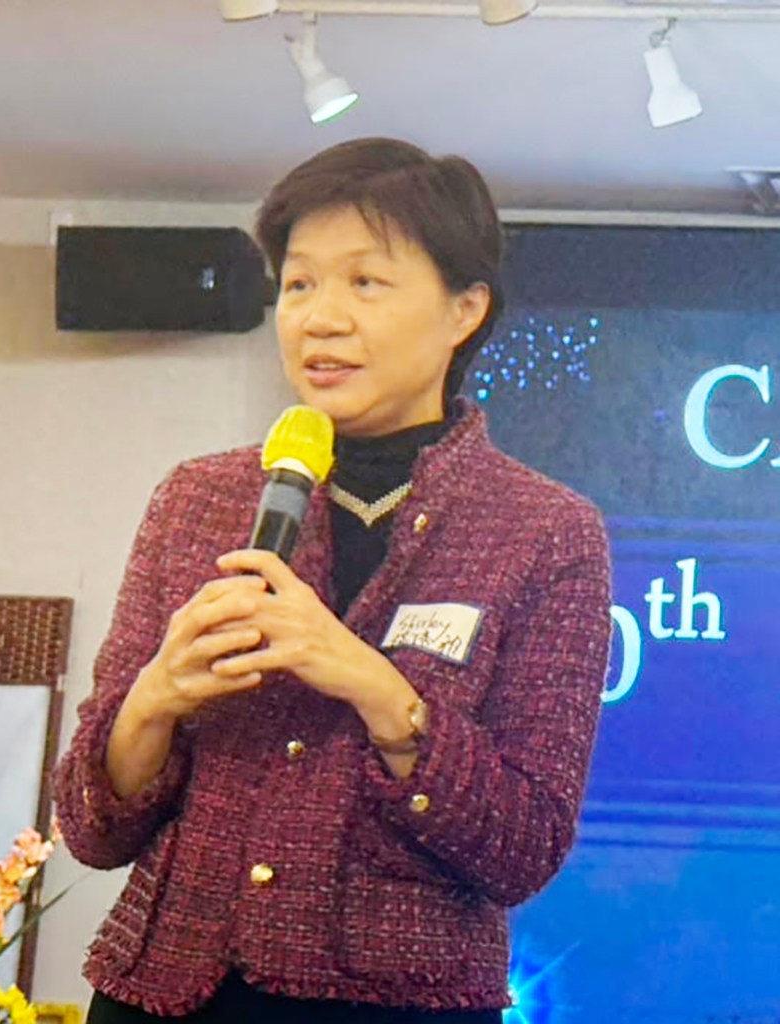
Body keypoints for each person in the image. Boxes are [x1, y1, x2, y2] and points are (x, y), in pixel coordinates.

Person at [54, 137, 612, 1023]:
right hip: (163, 992)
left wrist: (372, 686)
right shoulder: (197, 499)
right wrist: (154, 698)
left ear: (463, 309)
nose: (319, 318)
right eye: (299, 284)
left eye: (365, 282)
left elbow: (523, 847)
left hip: (403, 1002)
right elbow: (92, 828)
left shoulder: (545, 532)